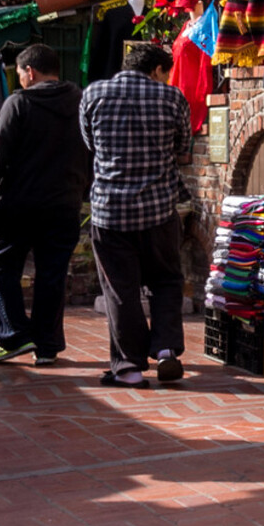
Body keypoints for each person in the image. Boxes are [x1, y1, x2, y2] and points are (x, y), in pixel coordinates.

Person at [78, 43, 192, 388]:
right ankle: (167, 350)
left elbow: (90, 145)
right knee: (167, 280)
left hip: (110, 212)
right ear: (157, 69)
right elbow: (183, 148)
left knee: (120, 289)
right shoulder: (172, 98)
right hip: (158, 209)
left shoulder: (93, 93)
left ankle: (128, 368)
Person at [0, 43, 91, 365]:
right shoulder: (82, 102)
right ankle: (47, 345)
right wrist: (84, 189)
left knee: (0, 265)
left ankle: (14, 335)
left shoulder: (19, 103)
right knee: (52, 274)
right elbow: (95, 150)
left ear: (30, 72)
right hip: (65, 204)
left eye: (21, 74)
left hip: (18, 204)